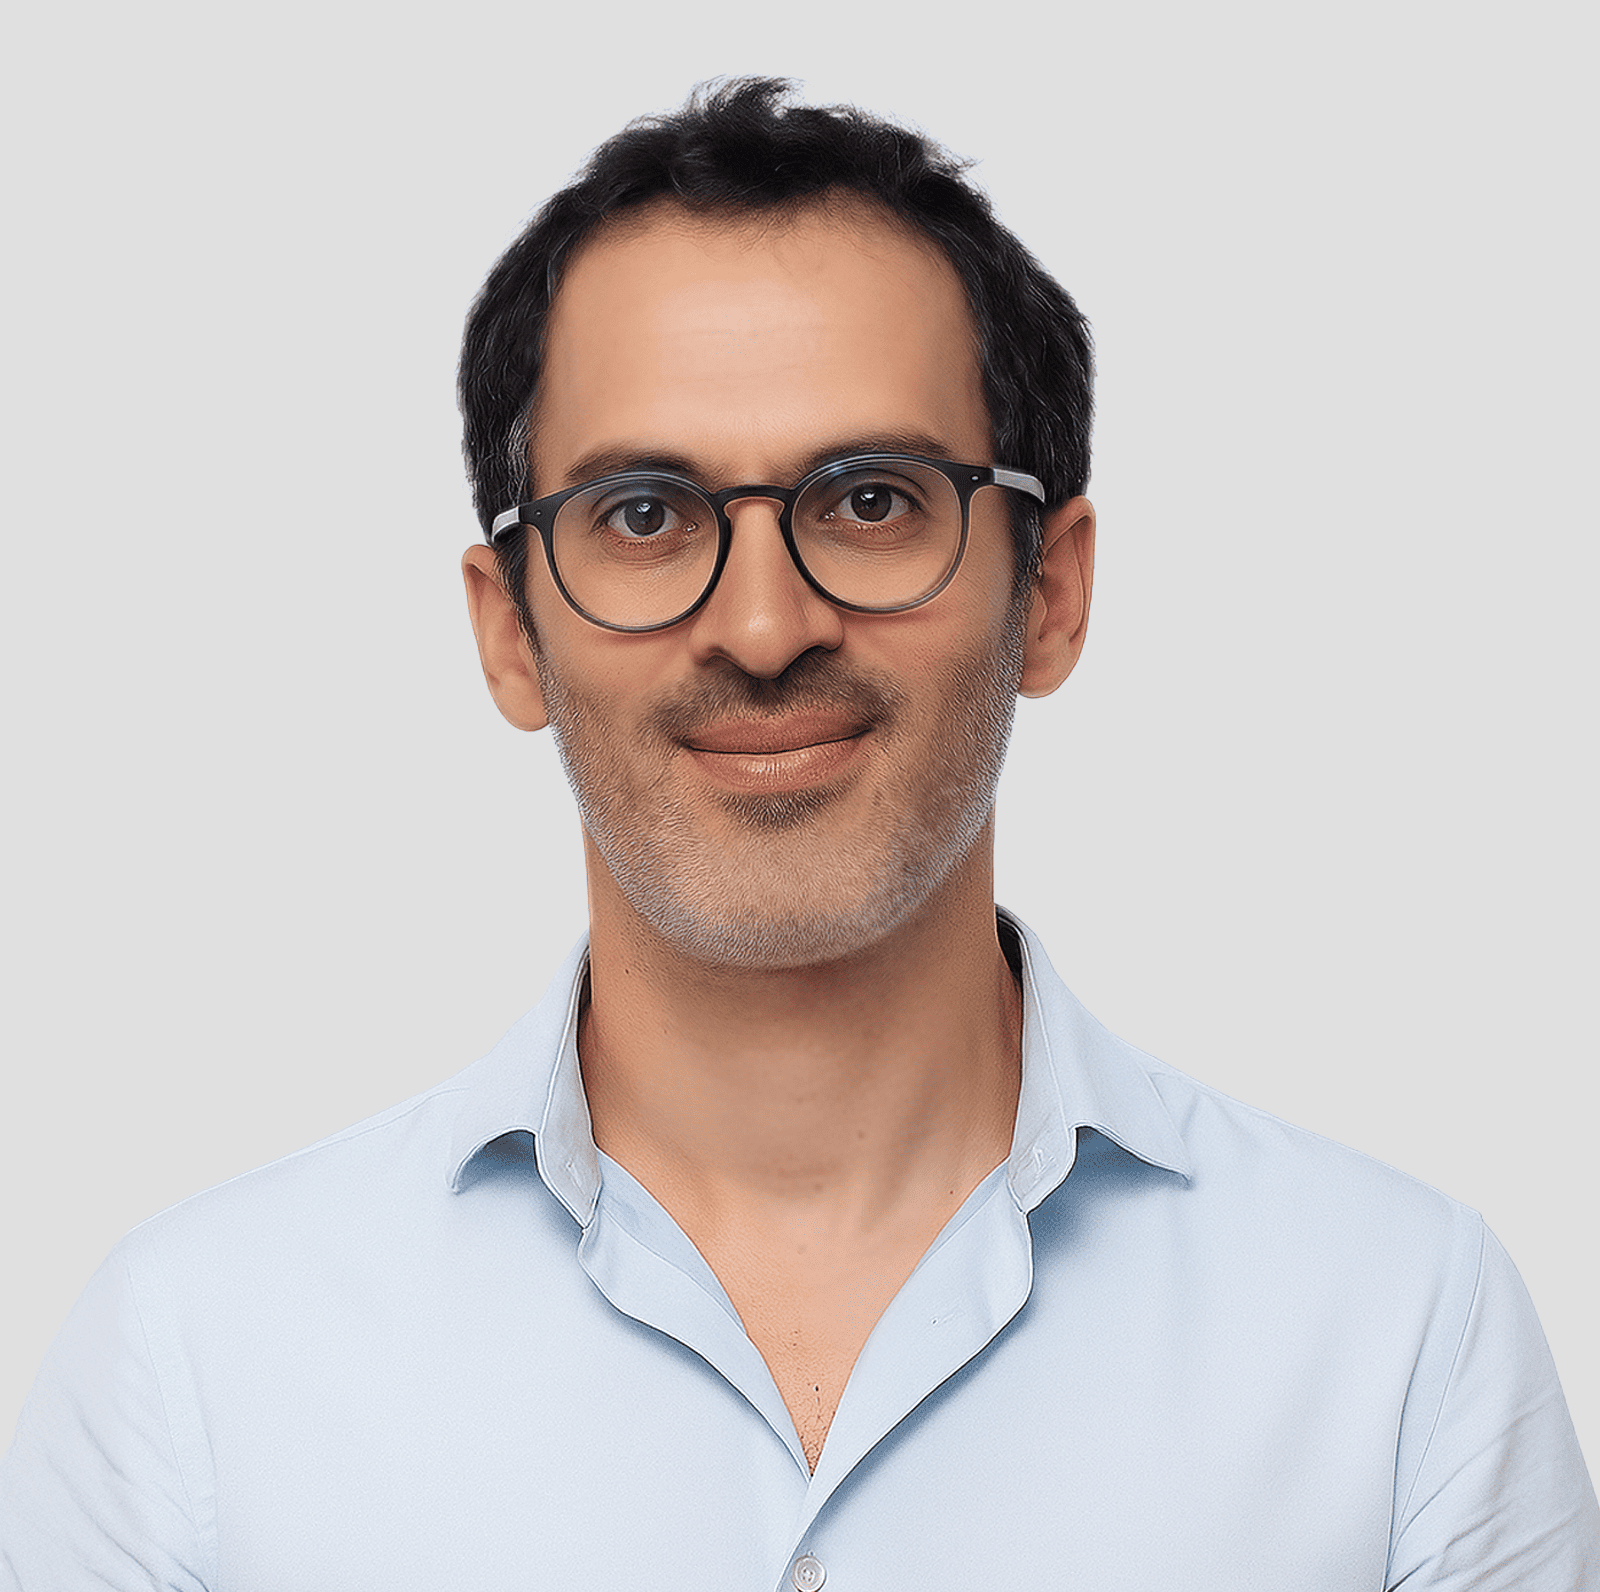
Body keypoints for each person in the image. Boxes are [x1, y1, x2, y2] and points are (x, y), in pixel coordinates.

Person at [2, 77, 1595, 1592]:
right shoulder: (194, 1373)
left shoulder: (1402, 1337)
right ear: (508, 633)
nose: (763, 627)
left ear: (1050, 593)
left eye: (872, 500)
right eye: (642, 515)